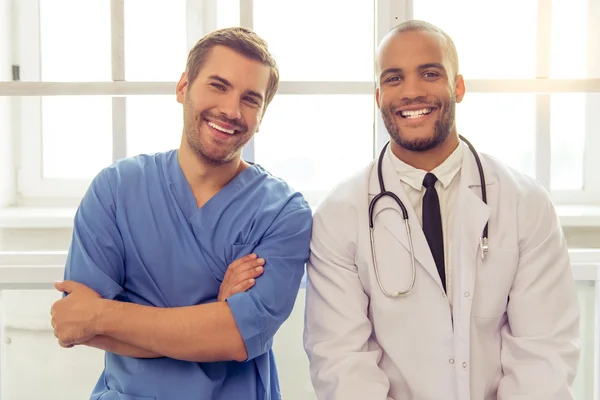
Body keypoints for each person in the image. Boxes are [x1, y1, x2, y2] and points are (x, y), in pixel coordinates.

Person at [303, 20, 580, 400]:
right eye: (394, 78)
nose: (412, 92)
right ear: (378, 95)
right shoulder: (339, 215)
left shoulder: (525, 204)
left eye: (429, 73)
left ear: (458, 86)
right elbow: (341, 363)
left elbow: (543, 354)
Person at [49, 27, 312, 400]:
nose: (231, 110)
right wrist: (214, 315)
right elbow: (77, 325)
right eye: (218, 86)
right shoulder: (116, 189)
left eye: (250, 99)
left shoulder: (284, 212)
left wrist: (103, 314)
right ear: (183, 87)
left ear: (262, 115)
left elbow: (236, 339)